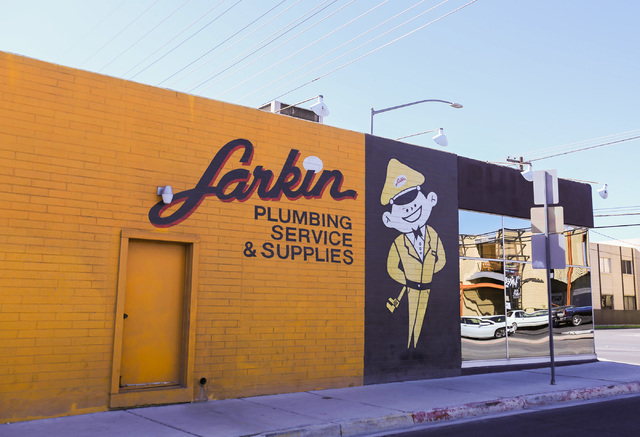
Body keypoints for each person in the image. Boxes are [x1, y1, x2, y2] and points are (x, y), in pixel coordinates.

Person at [380, 159, 446, 349]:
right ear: (389, 219)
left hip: (429, 288)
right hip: (409, 290)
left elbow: (442, 259)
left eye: (414, 199)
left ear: (430, 199)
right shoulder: (398, 242)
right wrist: (409, 280)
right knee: (408, 323)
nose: (410, 209)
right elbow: (392, 268)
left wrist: (428, 272)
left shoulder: (433, 234)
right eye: (402, 205)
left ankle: (414, 350)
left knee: (424, 324)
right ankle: (410, 349)